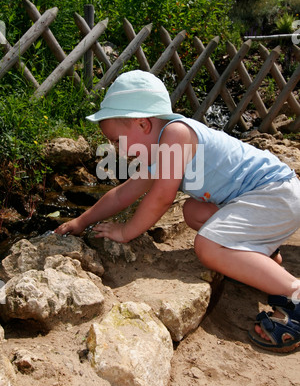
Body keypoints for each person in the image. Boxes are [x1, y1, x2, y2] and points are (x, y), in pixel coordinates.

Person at [55, 70, 300, 352]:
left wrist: (126, 231)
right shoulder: (158, 149)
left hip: (275, 195)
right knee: (193, 211)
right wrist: (82, 220)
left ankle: (294, 292)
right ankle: (259, 253)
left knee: (207, 246)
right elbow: (124, 193)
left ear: (143, 124)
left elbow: (161, 197)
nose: (117, 150)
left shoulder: (176, 134)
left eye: (117, 141)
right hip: (266, 200)